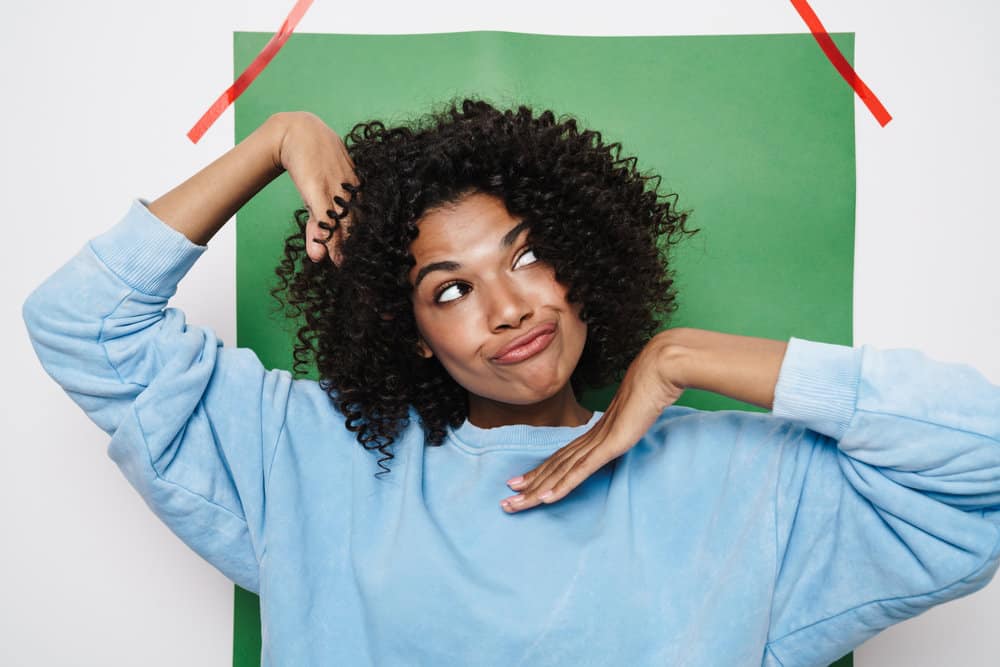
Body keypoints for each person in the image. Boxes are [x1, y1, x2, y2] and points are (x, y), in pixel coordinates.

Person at [22, 98, 1000, 667]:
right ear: (406, 332)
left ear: (584, 259)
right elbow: (82, 321)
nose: (507, 308)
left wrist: (685, 356)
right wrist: (279, 139)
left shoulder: (746, 482)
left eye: (528, 258)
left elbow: (984, 464)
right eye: (449, 288)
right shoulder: (308, 459)